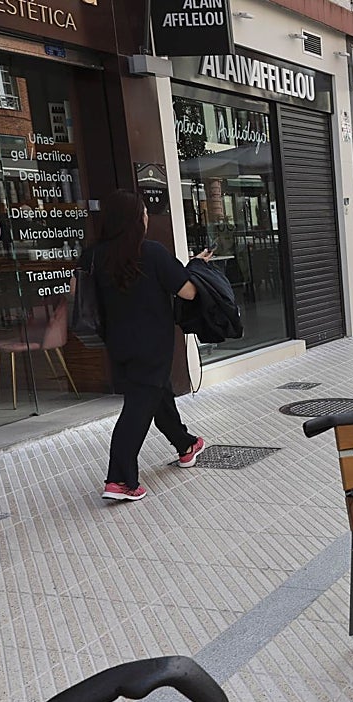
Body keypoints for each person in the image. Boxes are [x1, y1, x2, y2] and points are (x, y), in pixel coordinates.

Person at [88, 189, 208, 502]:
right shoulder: (151, 253)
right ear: (134, 220)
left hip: (117, 344)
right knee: (139, 408)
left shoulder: (94, 255)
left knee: (156, 393)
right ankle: (120, 479)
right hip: (152, 345)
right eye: (143, 213)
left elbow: (83, 294)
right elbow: (188, 293)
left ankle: (186, 444)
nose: (146, 218)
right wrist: (195, 266)